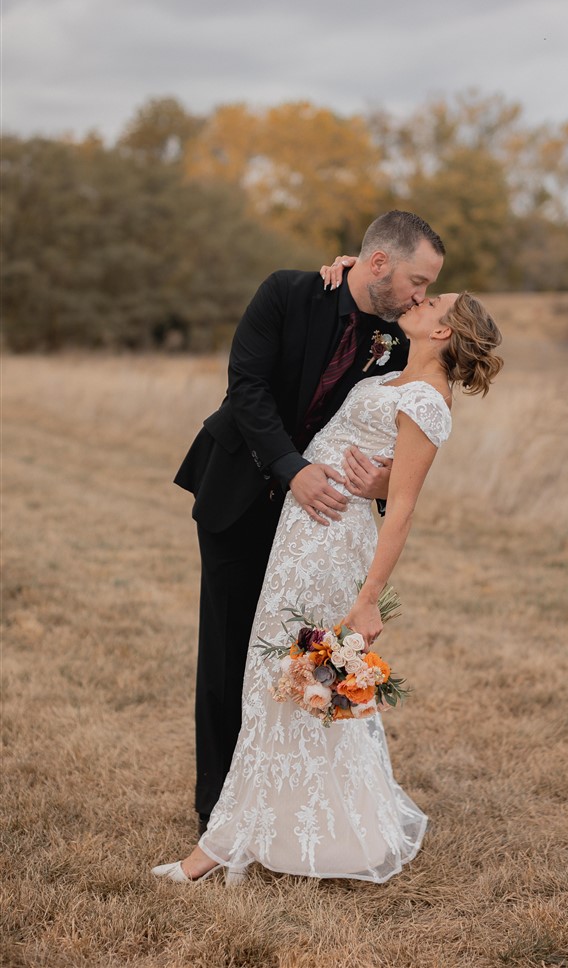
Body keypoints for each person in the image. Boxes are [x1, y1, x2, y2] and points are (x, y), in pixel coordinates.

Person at [153, 287, 503, 885]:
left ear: (443, 332)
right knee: (278, 678)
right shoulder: (395, 367)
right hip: (301, 533)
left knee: (292, 680)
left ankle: (224, 843)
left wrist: (368, 598)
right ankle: (266, 825)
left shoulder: (427, 399)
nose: (420, 299)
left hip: (333, 546)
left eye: (433, 301)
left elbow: (404, 507)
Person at [173, 212, 446, 833]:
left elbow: (398, 432)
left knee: (299, 655)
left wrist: (381, 482)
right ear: (377, 262)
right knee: (228, 651)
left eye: (428, 287)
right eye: (417, 280)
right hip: (241, 490)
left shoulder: (401, 338)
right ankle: (216, 811)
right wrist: (292, 468)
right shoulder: (287, 292)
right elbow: (247, 389)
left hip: (320, 526)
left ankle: (289, 799)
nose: (420, 296)